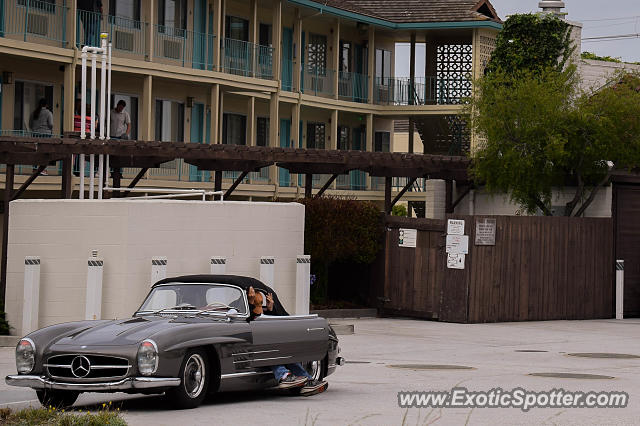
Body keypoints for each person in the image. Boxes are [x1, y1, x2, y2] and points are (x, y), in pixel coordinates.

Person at [246, 286, 328, 396]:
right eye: (257, 303)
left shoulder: (265, 314)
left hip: (271, 349)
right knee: (271, 351)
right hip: (258, 350)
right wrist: (251, 303)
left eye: (262, 303)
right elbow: (248, 323)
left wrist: (271, 309)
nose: (260, 306)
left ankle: (307, 380)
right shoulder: (247, 314)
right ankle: (284, 376)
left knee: (284, 354)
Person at [29, 98, 53, 174]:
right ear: (46, 105)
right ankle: (43, 169)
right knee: (45, 152)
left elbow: (30, 124)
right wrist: (49, 128)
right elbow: (51, 124)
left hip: (35, 134)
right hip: (45, 135)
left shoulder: (34, 112)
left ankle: (34, 168)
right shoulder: (48, 113)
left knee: (36, 151)